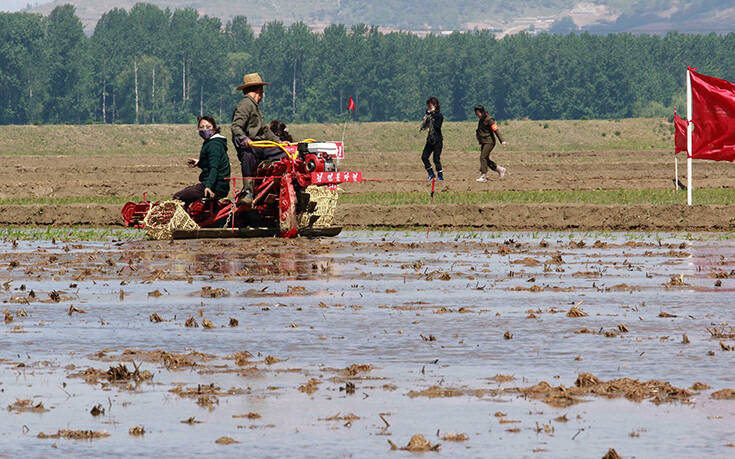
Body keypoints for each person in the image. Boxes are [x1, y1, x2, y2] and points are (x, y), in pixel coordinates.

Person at [230, 73, 285, 205]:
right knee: (248, 156)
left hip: (262, 145)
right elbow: (236, 126)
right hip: (252, 146)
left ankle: (279, 183)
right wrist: (244, 139)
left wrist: (280, 143)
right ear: (258, 91)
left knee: (285, 153)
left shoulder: (255, 107)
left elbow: (265, 130)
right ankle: (248, 192)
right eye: (261, 92)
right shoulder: (245, 105)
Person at [173, 115, 231, 206]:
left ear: (214, 128)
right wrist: (199, 162)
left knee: (178, 197)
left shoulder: (214, 145)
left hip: (215, 186)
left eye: (208, 127)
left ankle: (185, 219)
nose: (205, 130)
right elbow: (211, 161)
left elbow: (214, 167)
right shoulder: (212, 143)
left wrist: (208, 187)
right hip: (220, 185)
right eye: (201, 127)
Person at [474, 105, 508, 182]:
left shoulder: (489, 119)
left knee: (483, 157)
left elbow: (496, 130)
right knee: (485, 159)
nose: (477, 115)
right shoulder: (481, 119)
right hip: (483, 141)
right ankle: (500, 169)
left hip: (489, 142)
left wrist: (502, 140)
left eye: (478, 113)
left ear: (482, 112)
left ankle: (483, 176)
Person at [419, 96, 444, 181]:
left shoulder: (439, 116)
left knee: (436, 159)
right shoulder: (428, 115)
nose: (429, 107)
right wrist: (426, 118)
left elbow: (437, 127)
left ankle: (440, 175)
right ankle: (431, 174)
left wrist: (431, 117)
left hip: (437, 140)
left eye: (430, 106)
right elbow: (424, 126)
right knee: (424, 157)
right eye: (428, 106)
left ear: (435, 105)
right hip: (430, 140)